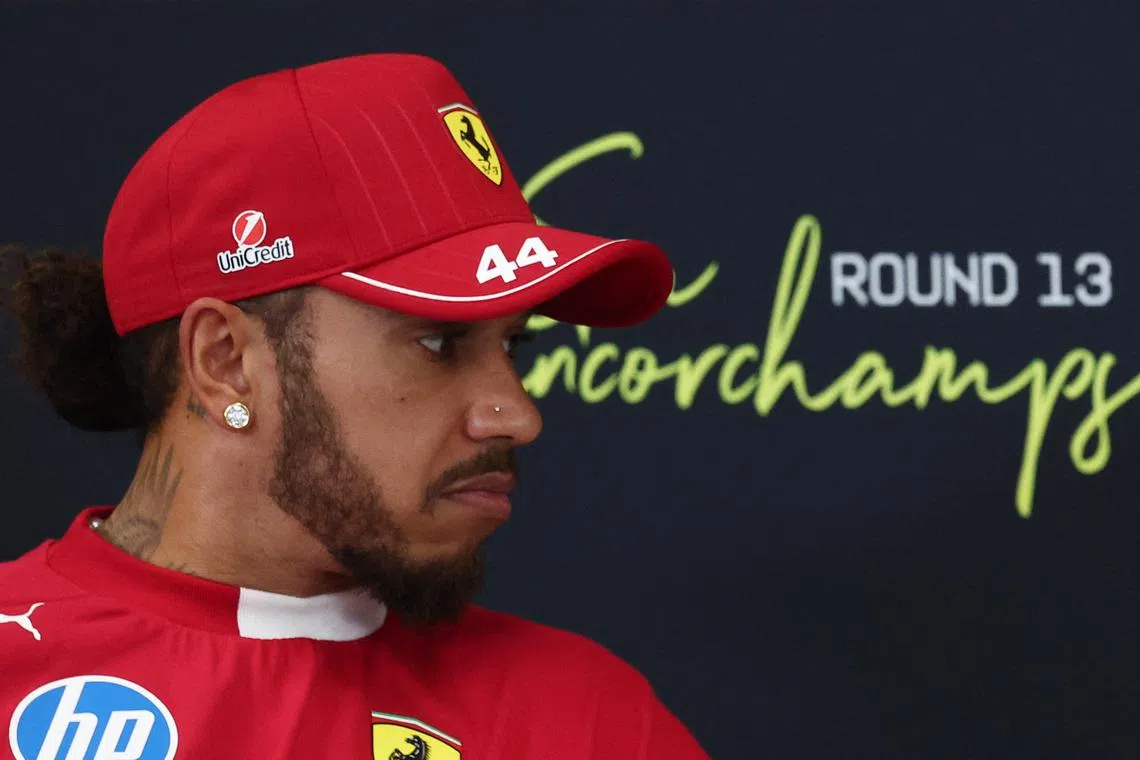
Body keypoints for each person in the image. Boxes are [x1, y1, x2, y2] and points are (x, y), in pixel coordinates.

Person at [0, 53, 709, 759]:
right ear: (225, 361)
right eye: (440, 343)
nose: (517, 415)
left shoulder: (586, 721)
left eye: (512, 347)